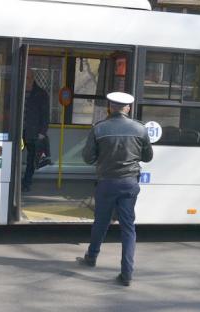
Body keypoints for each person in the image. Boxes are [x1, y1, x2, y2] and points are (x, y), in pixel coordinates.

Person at [78, 91, 153, 286]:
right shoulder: (140, 129)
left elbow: (87, 157)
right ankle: (126, 273)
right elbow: (147, 157)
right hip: (129, 182)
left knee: (101, 223)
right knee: (128, 228)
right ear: (127, 108)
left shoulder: (99, 128)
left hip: (106, 182)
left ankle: (92, 257)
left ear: (110, 107)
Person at [22, 68, 50, 192]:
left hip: (33, 133)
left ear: (33, 78)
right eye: (24, 77)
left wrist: (42, 133)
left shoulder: (41, 94)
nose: (26, 80)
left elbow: (45, 115)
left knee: (31, 159)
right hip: (17, 131)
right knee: (13, 157)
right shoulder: (17, 90)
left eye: (28, 78)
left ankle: (26, 183)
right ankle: (14, 180)